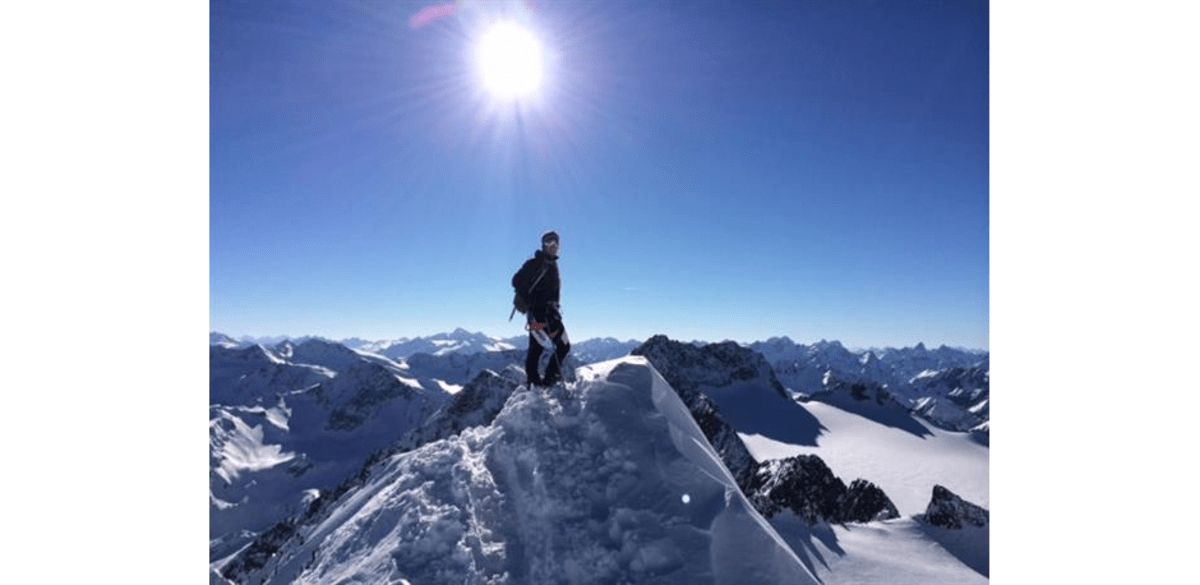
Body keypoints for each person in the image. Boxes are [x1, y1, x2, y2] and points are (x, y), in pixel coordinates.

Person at [512, 230, 571, 387]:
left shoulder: (552, 264)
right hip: (538, 314)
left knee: (556, 347)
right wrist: (535, 303)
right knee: (542, 349)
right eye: (549, 243)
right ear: (543, 245)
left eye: (556, 244)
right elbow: (516, 280)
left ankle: (543, 382)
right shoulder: (536, 263)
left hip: (551, 314)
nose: (553, 247)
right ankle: (540, 383)